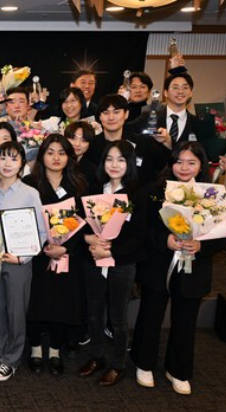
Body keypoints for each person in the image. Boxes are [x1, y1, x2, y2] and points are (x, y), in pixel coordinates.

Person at [131, 142, 226, 395]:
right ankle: (144, 363)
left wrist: (201, 245)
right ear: (171, 163)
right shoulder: (153, 191)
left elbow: (225, 235)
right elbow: (140, 230)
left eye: (191, 162)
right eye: (179, 161)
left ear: (201, 165)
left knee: (185, 320)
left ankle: (178, 369)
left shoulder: (212, 194)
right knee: (150, 314)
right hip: (158, 265)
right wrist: (164, 240)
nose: (184, 168)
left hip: (193, 268)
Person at [78, 140, 147, 386]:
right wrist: (89, 240)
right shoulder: (93, 190)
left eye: (120, 159)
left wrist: (109, 251)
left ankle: (118, 364)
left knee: (117, 317)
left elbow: (139, 237)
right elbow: (81, 225)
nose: (114, 164)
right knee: (94, 313)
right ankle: (97, 356)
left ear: (130, 163)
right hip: (93, 260)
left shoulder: (138, 193)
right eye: (109, 159)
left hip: (122, 263)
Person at [0, 141, 46, 382]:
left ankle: (12, 359)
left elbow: (41, 232)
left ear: (22, 164)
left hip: (18, 262)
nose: (7, 163)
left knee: (16, 311)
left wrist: (22, 257)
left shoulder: (30, 193)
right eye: (3, 158)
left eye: (14, 158)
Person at [22, 134, 87, 376]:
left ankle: (55, 351)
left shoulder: (79, 184)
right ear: (42, 156)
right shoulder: (29, 183)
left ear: (69, 156)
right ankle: (36, 349)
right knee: (36, 301)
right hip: (38, 254)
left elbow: (86, 223)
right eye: (50, 152)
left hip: (67, 255)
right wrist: (43, 246)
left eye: (61, 152)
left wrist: (65, 248)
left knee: (62, 302)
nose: (56, 158)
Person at [87, 94, 168, 187]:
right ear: (100, 117)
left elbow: (164, 166)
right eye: (106, 113)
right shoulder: (91, 146)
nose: (111, 117)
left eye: (116, 112)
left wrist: (166, 142)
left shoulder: (143, 143)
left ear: (126, 114)